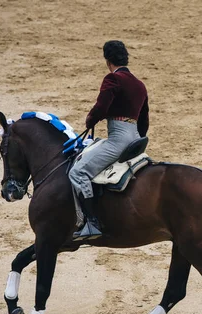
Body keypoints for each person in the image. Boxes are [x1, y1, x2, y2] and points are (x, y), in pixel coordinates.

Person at [69, 40, 149, 240]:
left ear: (107, 60)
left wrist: (90, 120)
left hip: (118, 139)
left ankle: (91, 223)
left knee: (78, 172)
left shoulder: (113, 79)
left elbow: (102, 107)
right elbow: (144, 120)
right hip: (137, 140)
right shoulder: (140, 85)